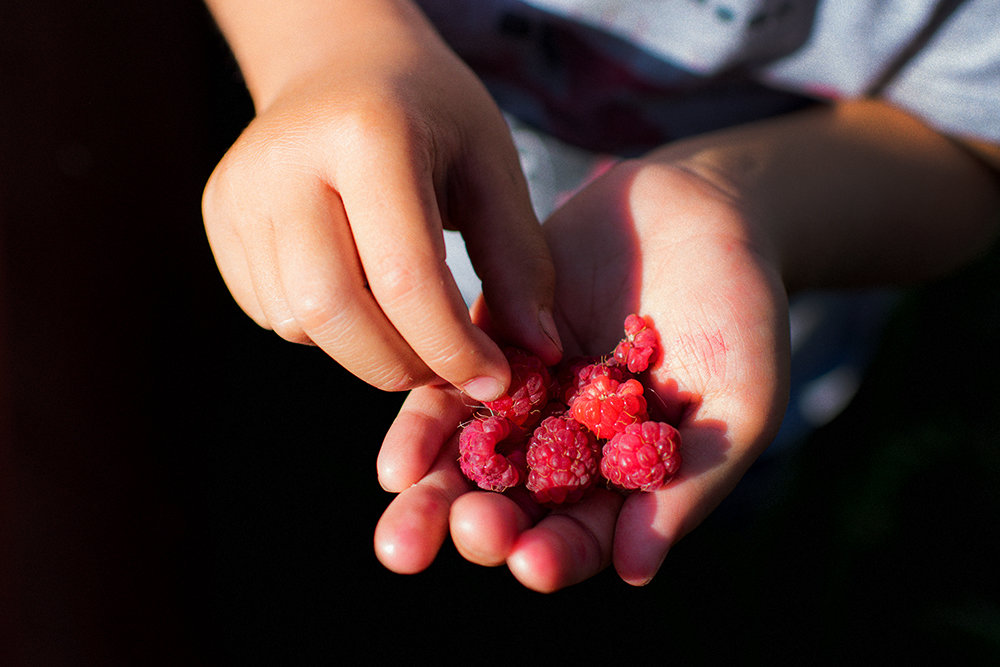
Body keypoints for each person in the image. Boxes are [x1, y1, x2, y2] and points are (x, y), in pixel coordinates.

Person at [201, 0, 1000, 592]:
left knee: (732, 472)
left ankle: (746, 528)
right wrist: (327, 45)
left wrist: (745, 207)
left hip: (781, 271)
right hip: (427, 239)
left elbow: (977, 145)